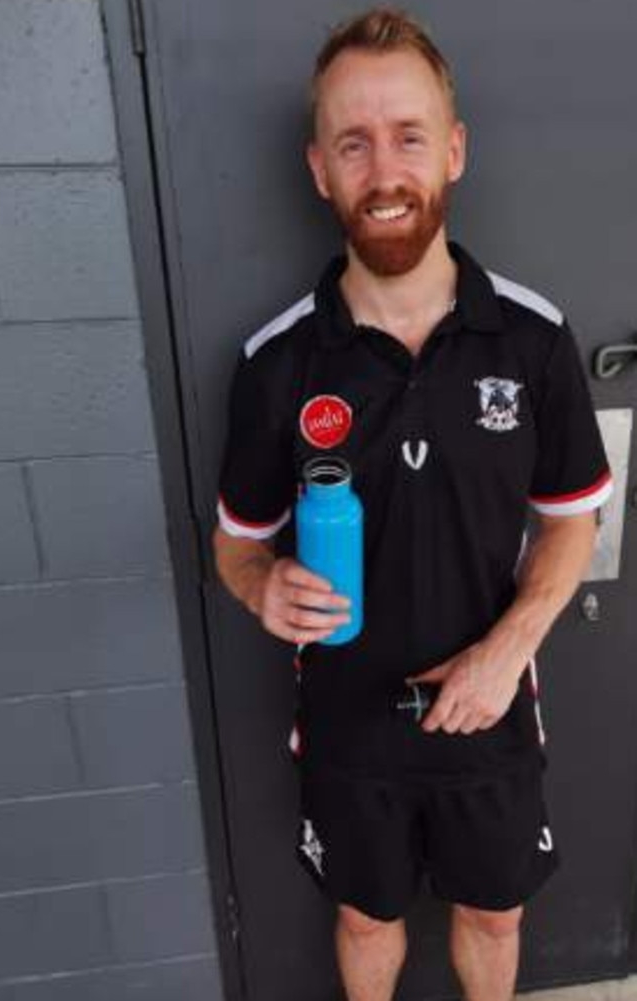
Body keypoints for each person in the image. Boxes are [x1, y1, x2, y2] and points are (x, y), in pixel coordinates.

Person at [213, 9, 613, 1001]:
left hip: (490, 712)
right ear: (318, 168)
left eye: (407, 136)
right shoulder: (276, 363)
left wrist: (506, 646)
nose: (382, 171)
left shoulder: (529, 338)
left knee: (493, 910)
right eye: (353, 142)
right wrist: (260, 586)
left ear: (454, 150)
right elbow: (232, 545)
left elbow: (570, 516)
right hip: (344, 722)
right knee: (363, 913)